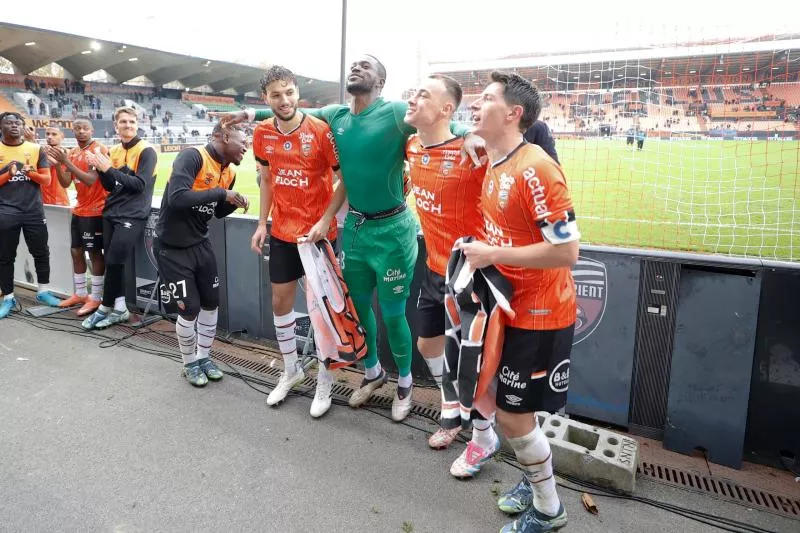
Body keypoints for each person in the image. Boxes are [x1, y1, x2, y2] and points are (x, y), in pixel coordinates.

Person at [215, 55, 479, 420]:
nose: (356, 68)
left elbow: (441, 120)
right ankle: (372, 373)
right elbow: (289, 112)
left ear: (380, 82)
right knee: (355, 309)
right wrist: (248, 115)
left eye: (366, 66)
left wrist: (470, 133)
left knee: (391, 313)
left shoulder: (397, 112)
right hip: (355, 229)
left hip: (392, 231)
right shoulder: (336, 115)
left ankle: (405, 382)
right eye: (354, 64)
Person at [462, 72, 580, 532]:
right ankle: (535, 486)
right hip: (507, 306)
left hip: (541, 311)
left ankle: (550, 511)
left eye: (487, 98)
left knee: (512, 413)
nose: (476, 103)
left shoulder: (536, 167)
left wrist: (494, 254)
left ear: (514, 113)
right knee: (503, 405)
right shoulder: (495, 161)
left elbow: (568, 251)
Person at [403, 74, 502, 476]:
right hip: (433, 268)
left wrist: (473, 137)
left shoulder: (471, 154)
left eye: (422, 95)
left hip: (470, 277)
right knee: (428, 346)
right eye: (413, 92)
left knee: (472, 364)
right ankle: (453, 406)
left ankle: (482, 438)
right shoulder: (409, 145)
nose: (412, 98)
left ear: (446, 109)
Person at [249, 66, 346, 418]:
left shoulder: (320, 131)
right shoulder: (262, 133)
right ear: (266, 99)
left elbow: (343, 181)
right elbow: (267, 181)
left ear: (296, 91)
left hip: (318, 235)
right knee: (280, 302)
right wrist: (262, 223)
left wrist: (325, 220)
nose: (284, 100)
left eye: (288, 92)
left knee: (322, 311)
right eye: (276, 94)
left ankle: (325, 379)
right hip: (283, 232)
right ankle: (292, 369)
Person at [154, 124, 249, 387]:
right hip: (172, 248)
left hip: (200, 245)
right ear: (225, 135)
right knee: (189, 309)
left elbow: (216, 212)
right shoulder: (193, 156)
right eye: (243, 140)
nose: (246, 146)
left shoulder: (228, 174)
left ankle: (204, 357)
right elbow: (176, 198)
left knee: (211, 303)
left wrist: (231, 204)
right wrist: (222, 193)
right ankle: (189, 363)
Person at [81, 107, 157, 329]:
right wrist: (101, 169)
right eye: (123, 122)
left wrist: (108, 169)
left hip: (133, 214)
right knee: (114, 263)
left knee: (114, 260)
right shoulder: (113, 150)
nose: (128, 125)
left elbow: (139, 185)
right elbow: (109, 186)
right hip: (111, 212)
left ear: (137, 124)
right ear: (116, 126)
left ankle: (104, 308)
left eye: (132, 121)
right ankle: (121, 309)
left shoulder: (147, 150)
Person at [44, 117, 109, 316]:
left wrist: (66, 162)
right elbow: (65, 183)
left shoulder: (98, 150)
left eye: (85, 128)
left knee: (95, 253)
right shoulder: (72, 152)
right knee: (75, 251)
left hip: (97, 210)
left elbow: (90, 180)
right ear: (73, 131)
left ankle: (96, 297)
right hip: (79, 209)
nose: (81, 131)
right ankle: (80, 293)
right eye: (77, 128)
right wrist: (57, 164)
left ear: (91, 131)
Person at [0, 112, 62, 318]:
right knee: (5, 256)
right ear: (1, 126)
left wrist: (31, 173)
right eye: (9, 123)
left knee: (41, 251)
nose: (15, 126)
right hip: (6, 211)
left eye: (18, 122)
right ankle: (8, 297)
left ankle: (43, 291)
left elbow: (46, 180)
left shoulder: (35, 149)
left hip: (33, 210)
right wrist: (8, 175)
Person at [41, 126, 70, 206]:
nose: (49, 137)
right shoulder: (39, 152)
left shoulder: (68, 154)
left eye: (54, 134)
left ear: (62, 136)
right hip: (41, 200)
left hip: (61, 200)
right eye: (47, 134)